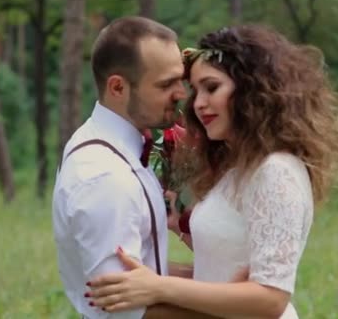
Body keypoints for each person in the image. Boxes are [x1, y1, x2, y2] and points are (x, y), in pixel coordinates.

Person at [85, 25, 338, 318]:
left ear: (252, 90)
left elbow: (270, 298)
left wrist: (159, 287)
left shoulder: (277, 172)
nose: (198, 103)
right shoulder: (241, 169)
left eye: (212, 88)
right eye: (195, 91)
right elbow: (228, 262)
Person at [52, 16, 221, 319]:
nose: (182, 94)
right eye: (166, 84)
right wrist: (240, 311)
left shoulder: (109, 148)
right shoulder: (105, 176)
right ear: (117, 87)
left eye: (180, 81)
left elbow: (144, 272)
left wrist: (226, 289)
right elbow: (124, 306)